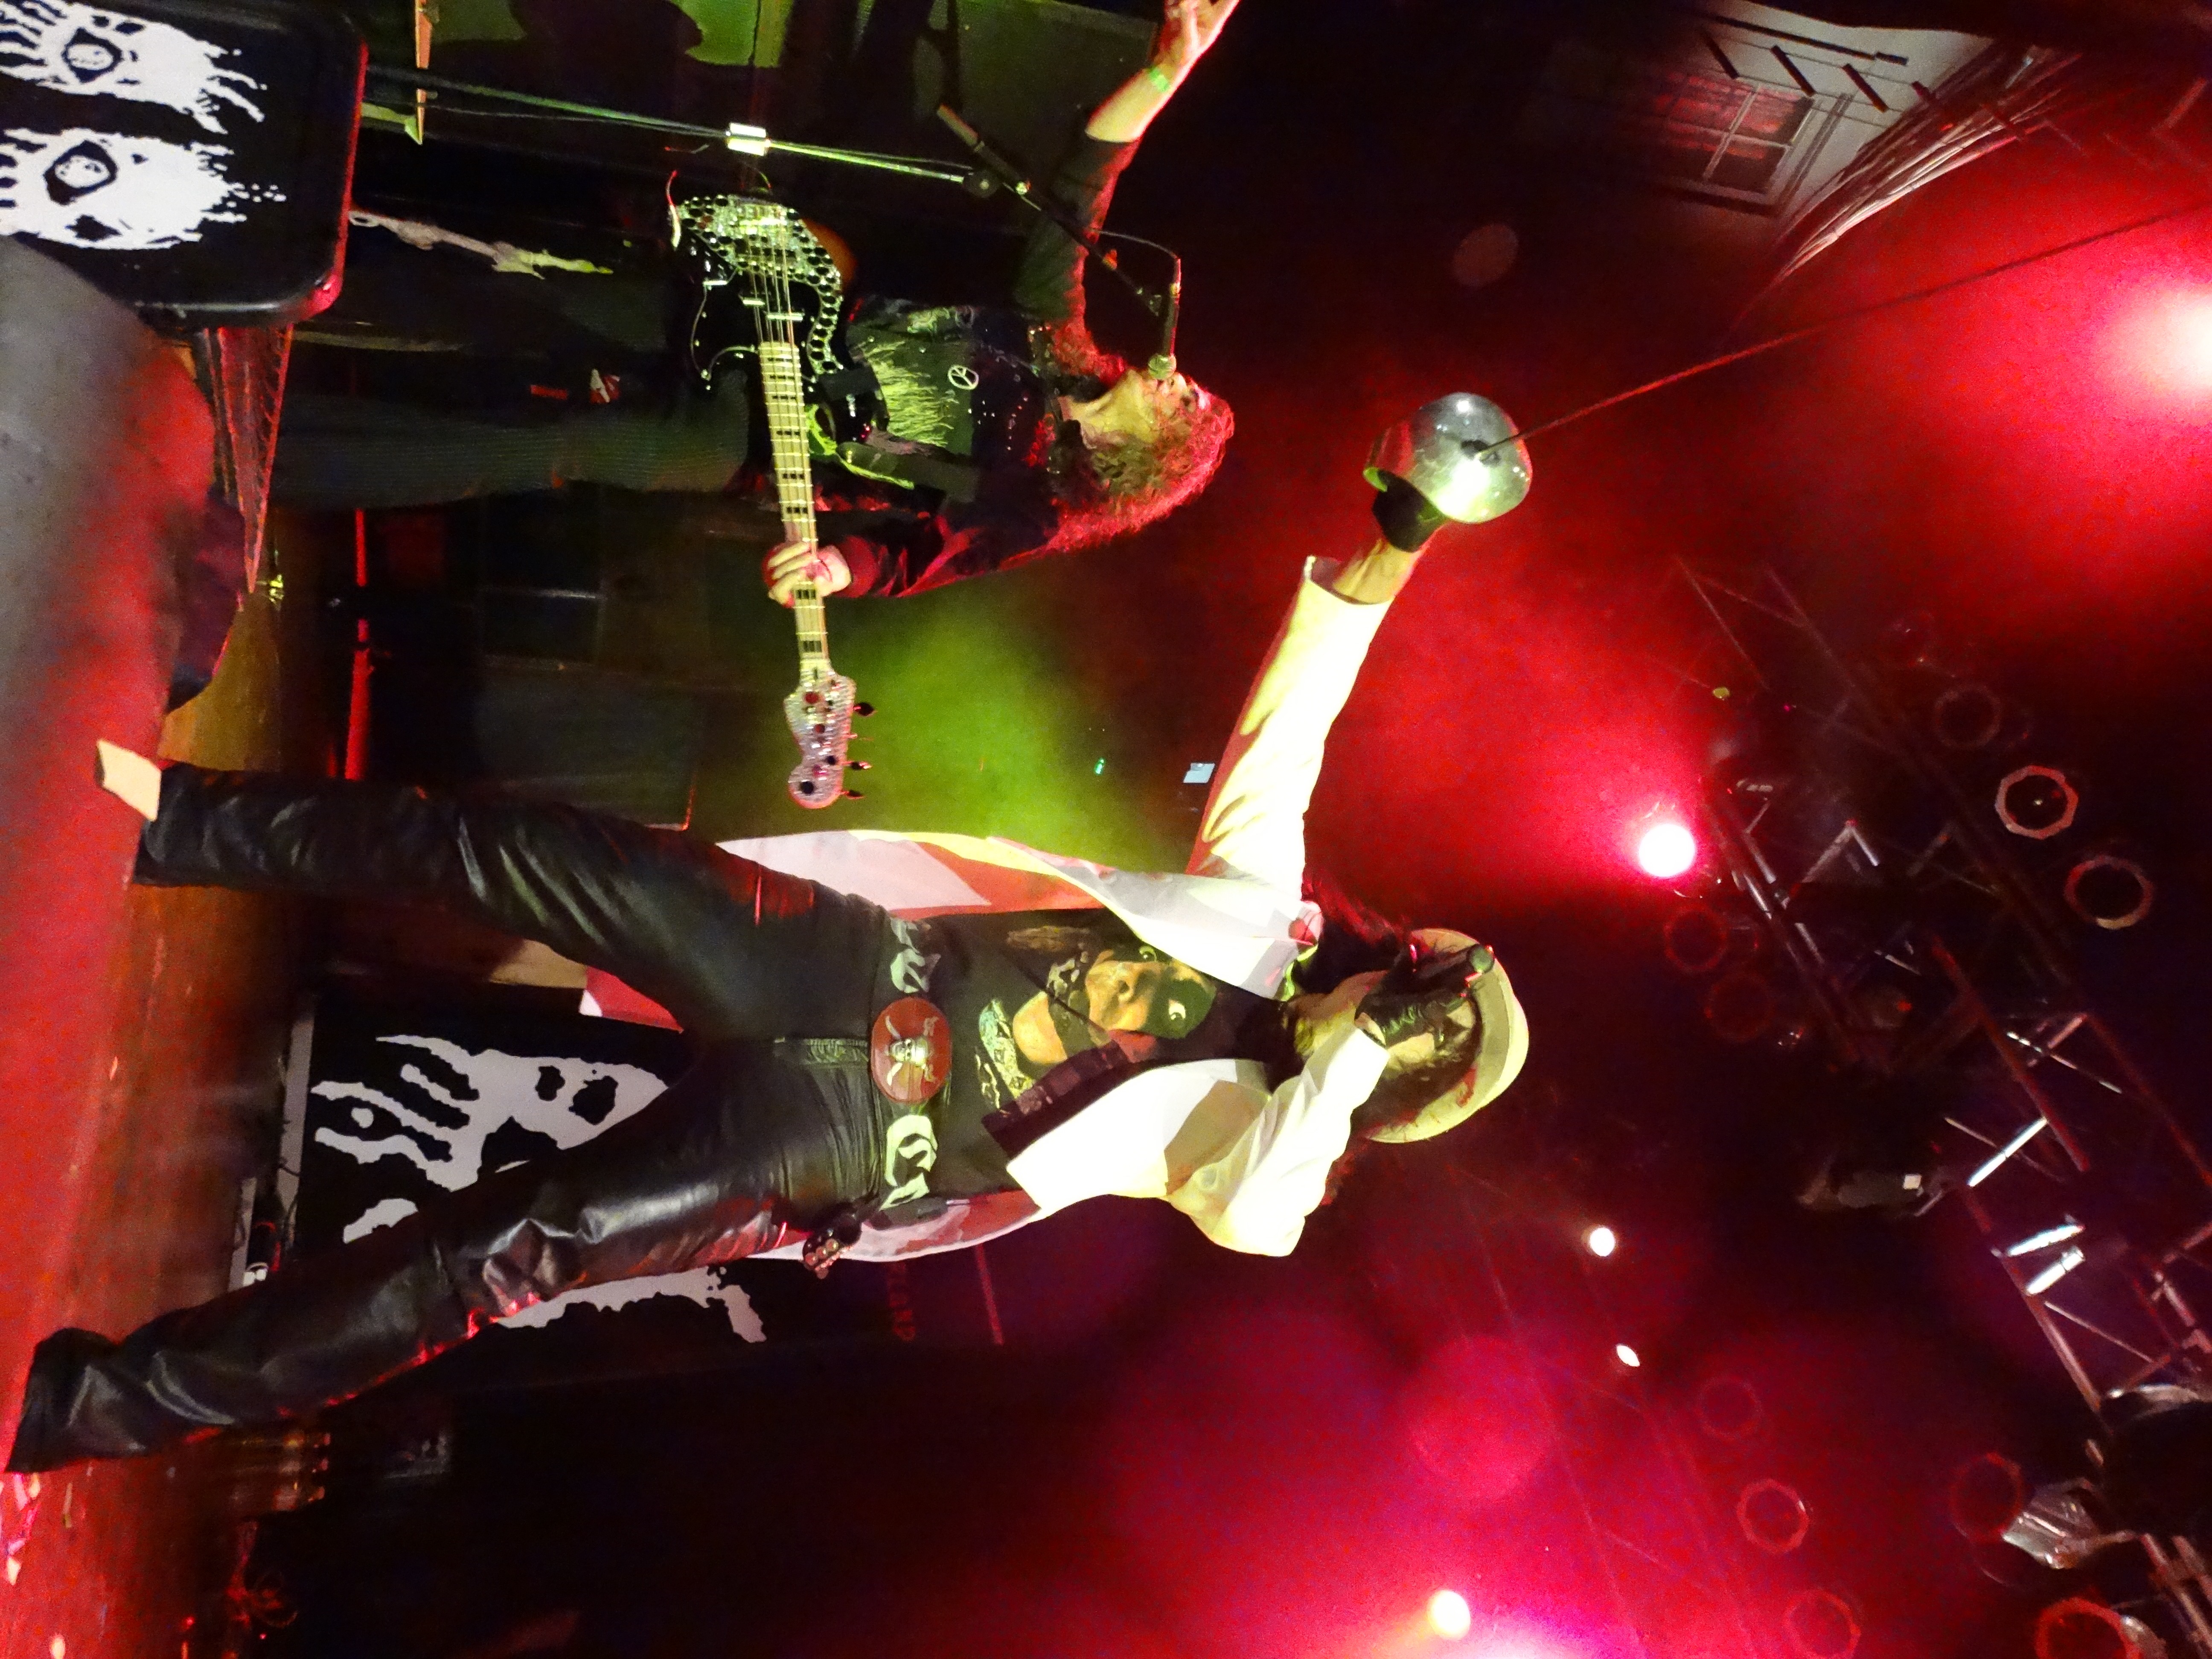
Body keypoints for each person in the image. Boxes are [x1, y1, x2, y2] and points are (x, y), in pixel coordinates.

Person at [7, 395, 1534, 1470]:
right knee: (521, 851)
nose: (1393, 964)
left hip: (847, 1141)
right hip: (847, 956)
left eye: (1416, 993)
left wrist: (1351, 1060)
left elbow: (1255, 1213)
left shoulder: (1278, 1156)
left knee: (496, 1255)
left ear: (1408, 1058)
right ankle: (171, 818)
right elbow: (1295, 717)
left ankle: (94, 1406)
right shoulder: (1264, 911)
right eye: (1413, 966)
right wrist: (1398, 543)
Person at [272, 0, 1242, 605]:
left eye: (1189, 404)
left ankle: (281, 457)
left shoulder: (1037, 502)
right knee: (519, 300)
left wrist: (838, 568)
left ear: (1156, 454)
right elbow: (1079, 188)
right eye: (1194, 386)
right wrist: (1165, 73)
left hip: (751, 438)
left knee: (550, 449)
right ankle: (273, 286)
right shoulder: (1049, 332)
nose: (1180, 379)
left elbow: (921, 558)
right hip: (757, 317)